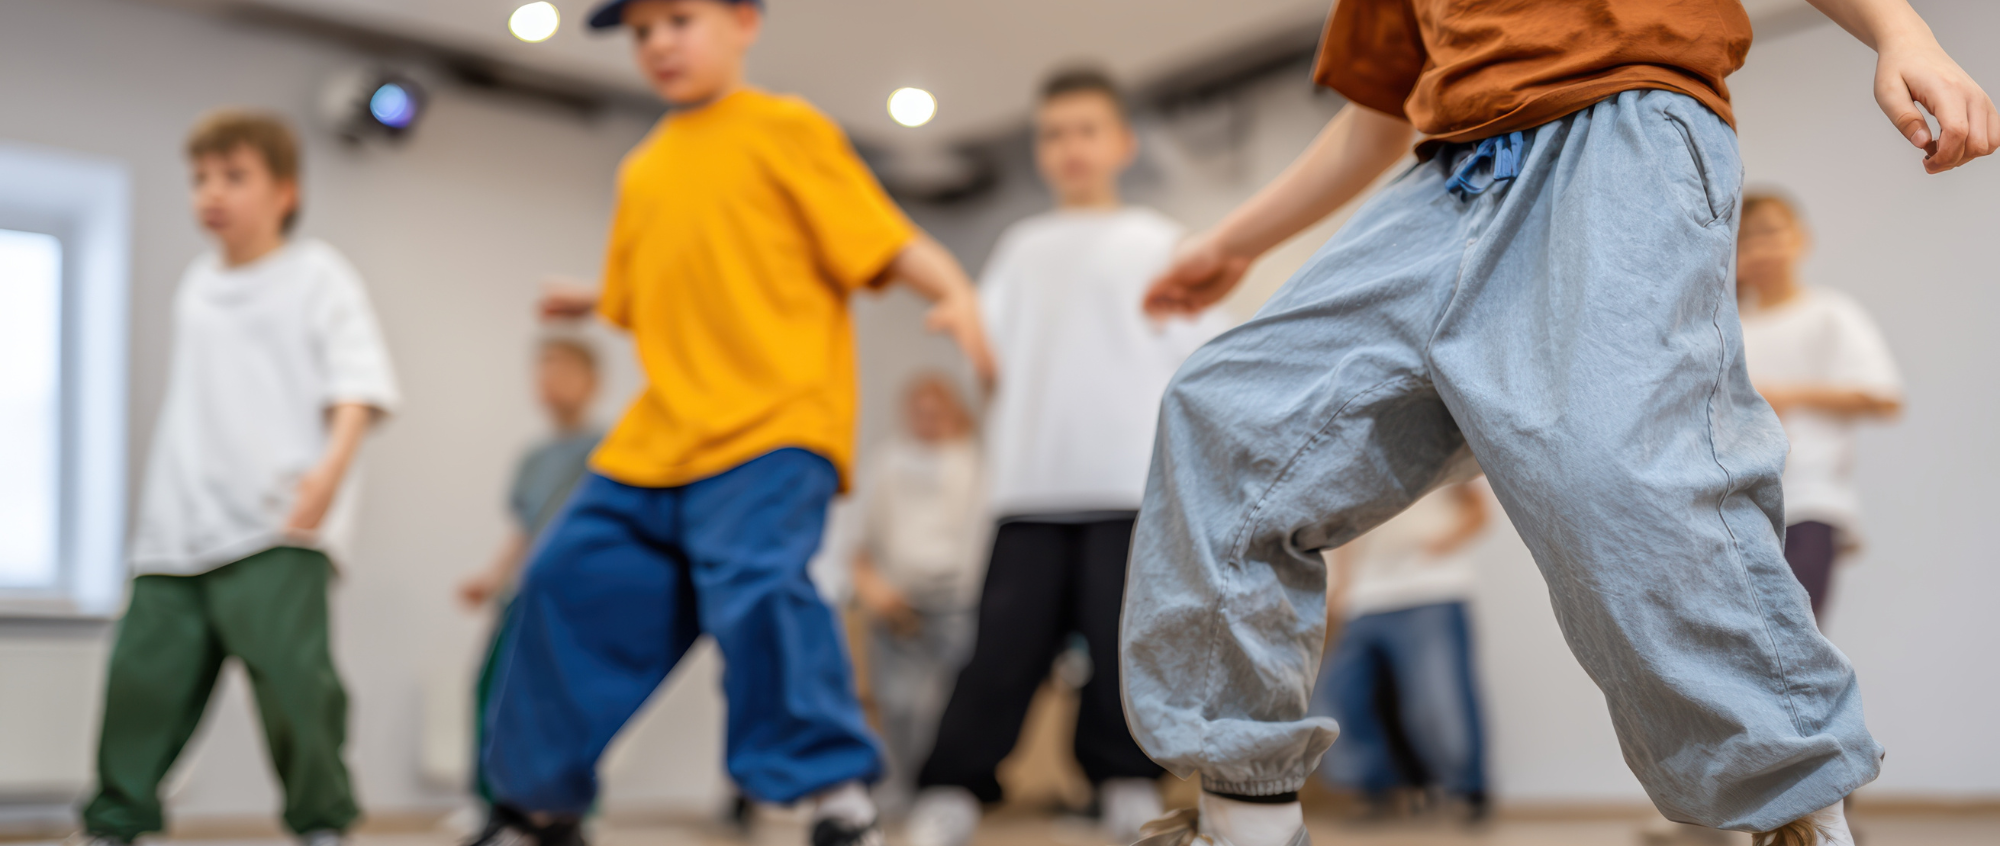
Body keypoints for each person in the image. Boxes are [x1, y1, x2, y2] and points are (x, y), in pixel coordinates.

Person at [1121, 1, 1998, 845]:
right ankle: (1246, 821)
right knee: (1226, 415)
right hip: (1442, 181)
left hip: (1620, 126)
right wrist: (1233, 243)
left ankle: (1801, 816)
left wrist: (1901, 31)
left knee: (1613, 472)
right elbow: (1377, 118)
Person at [466, 2, 996, 846]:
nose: (659, 43)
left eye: (679, 18)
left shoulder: (785, 130)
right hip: (656, 443)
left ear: (743, 19)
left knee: (758, 587)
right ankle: (539, 805)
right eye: (642, 32)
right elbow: (661, 280)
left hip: (772, 428)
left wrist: (955, 290)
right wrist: (594, 298)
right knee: (563, 576)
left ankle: (834, 794)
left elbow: (884, 239)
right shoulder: (643, 169)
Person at [904, 68, 1229, 846]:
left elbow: (1208, 365)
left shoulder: (1161, 243)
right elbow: (991, 366)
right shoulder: (1021, 249)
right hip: (1029, 488)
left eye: (1086, 130)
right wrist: (964, 327)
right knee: (1001, 652)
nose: (1070, 146)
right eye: (1053, 134)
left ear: (1122, 142)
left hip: (1132, 487)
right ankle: (951, 790)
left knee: (1125, 653)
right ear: (1039, 150)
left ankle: (1124, 783)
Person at [79, 111, 400, 846]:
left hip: (277, 519)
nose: (212, 193)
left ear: (286, 191)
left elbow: (357, 382)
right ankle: (115, 823)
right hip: (175, 527)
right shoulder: (196, 285)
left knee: (295, 687)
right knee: (141, 684)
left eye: (234, 176)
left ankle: (322, 824)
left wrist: (328, 475)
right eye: (199, 179)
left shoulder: (317, 274)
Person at [1736, 194, 1904, 622]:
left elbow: (1882, 395)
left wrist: (1785, 395)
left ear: (1800, 237)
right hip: (1739, 506)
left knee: (1795, 632)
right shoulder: (1728, 329)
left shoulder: (1830, 312)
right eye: (1744, 239)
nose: (1758, 249)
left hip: (1810, 498)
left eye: (1769, 232)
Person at [456, 336, 606, 807]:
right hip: (524, 595)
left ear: (592, 381)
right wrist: (492, 578)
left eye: (563, 370)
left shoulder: (610, 450)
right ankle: (492, 806)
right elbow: (524, 528)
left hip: (577, 599)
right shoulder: (533, 459)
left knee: (568, 703)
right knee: (492, 692)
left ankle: (574, 809)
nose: (550, 381)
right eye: (544, 371)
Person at [848, 374, 988, 815]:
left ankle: (945, 789)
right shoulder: (886, 462)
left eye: (936, 412)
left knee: (951, 704)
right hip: (898, 600)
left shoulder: (977, 464)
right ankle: (900, 790)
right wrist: (871, 586)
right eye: (920, 412)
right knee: (898, 703)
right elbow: (856, 537)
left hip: (959, 599)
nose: (928, 421)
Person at [1311, 481, 1489, 821]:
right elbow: (1348, 531)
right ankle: (1379, 790)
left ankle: (1467, 791)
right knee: (1338, 699)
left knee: (1439, 702)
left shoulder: (1441, 449)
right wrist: (1341, 586)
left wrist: (1440, 544)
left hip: (1430, 588)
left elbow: (1479, 509)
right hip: (1364, 595)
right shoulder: (1348, 466)